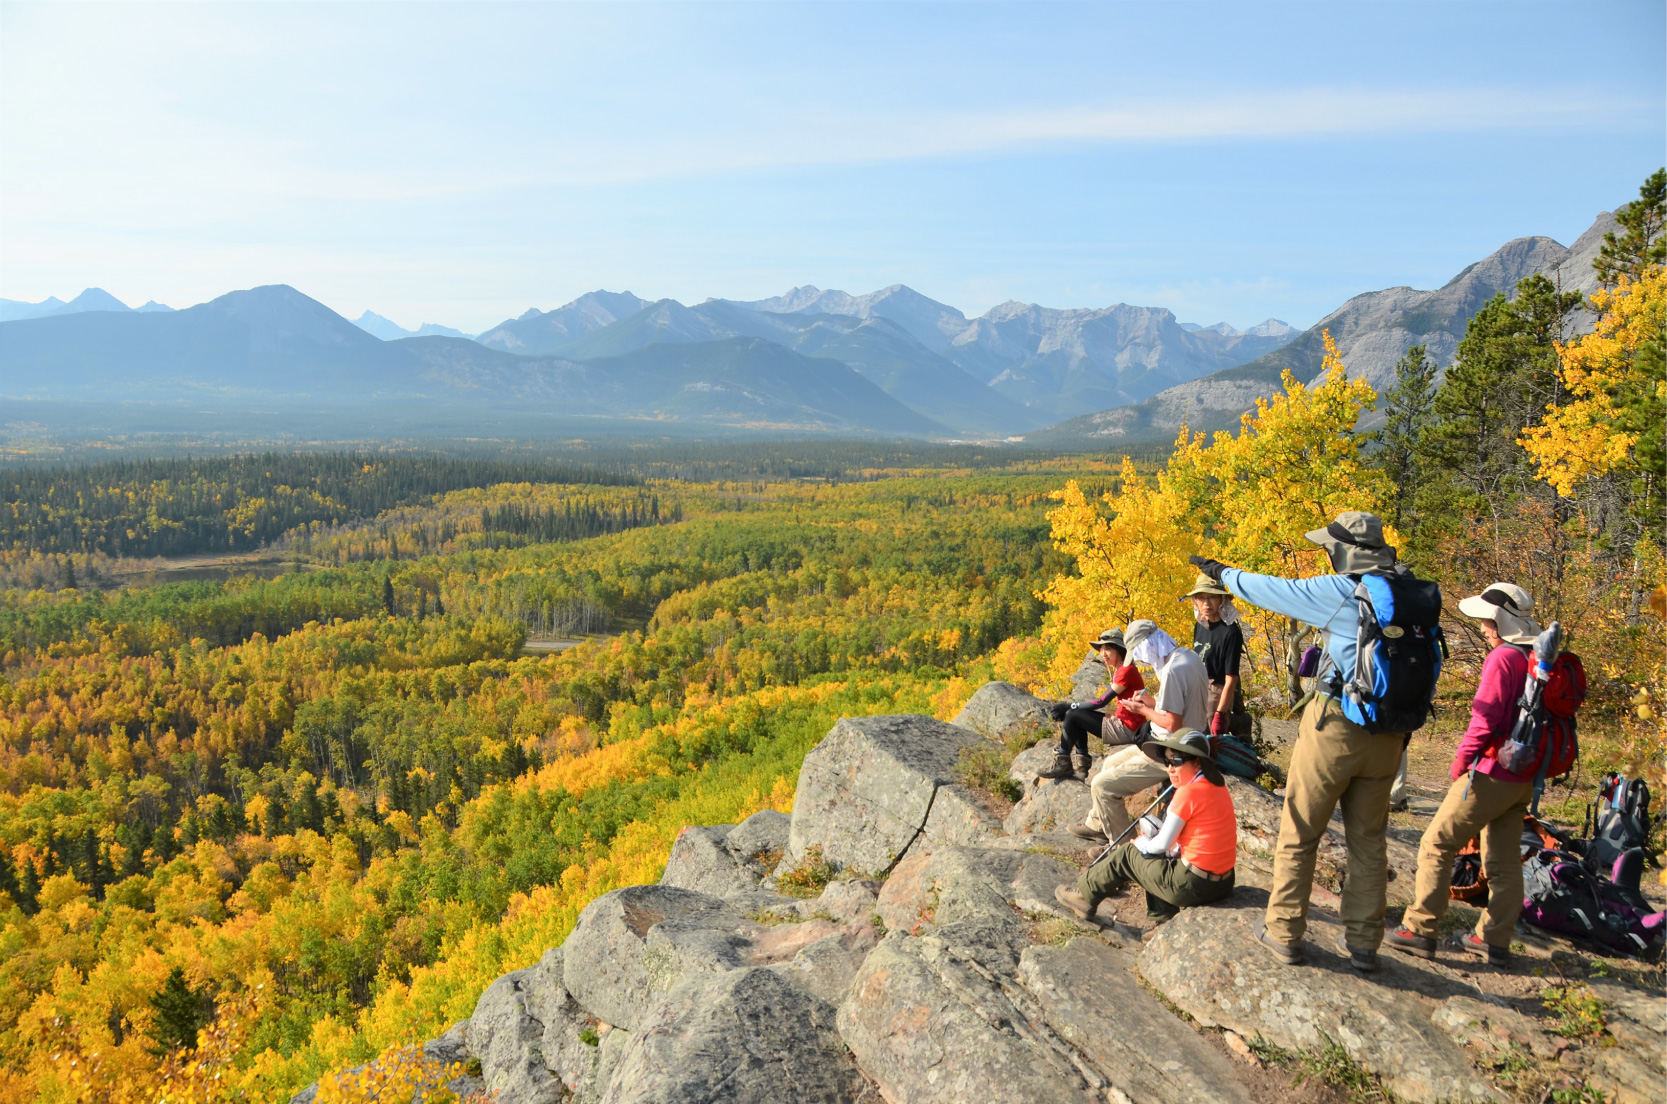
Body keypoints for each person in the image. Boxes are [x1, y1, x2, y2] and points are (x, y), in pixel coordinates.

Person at [1190, 511, 1406, 973]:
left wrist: (1220, 572)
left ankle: (1284, 932)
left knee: (1300, 829)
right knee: (1369, 839)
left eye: (1331, 547)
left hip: (1337, 726)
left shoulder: (1344, 590)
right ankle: (1365, 944)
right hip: (1389, 731)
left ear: (1346, 551)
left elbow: (1275, 591)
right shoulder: (1408, 591)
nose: (1327, 555)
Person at [1387, 582, 1541, 967]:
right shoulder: (1537, 656)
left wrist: (1461, 763)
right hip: (1523, 776)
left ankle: (1420, 929)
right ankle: (1493, 938)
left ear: (1502, 621)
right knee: (1503, 859)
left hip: (1491, 772)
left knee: (1437, 843)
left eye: (1488, 621)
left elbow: (1484, 719)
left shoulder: (1503, 658)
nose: (1485, 628)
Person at [1054, 729, 1237, 925]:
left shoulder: (1188, 792)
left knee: (1129, 854)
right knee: (1157, 856)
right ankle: (1160, 921)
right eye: (1167, 762)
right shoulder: (1217, 786)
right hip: (1223, 883)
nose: (1170, 769)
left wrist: (1142, 844)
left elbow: (1162, 845)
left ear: (1197, 762)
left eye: (1176, 762)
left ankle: (1084, 895)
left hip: (1193, 885)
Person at [1068, 619, 1211, 845]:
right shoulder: (1188, 657)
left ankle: (1125, 851)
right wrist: (1151, 702)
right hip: (1182, 740)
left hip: (1171, 751)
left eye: (1139, 652)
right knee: (1108, 764)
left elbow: (1173, 724)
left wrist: (1142, 709)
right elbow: (1181, 707)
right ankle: (1098, 826)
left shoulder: (1172, 671)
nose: (1141, 659)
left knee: (1101, 786)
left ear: (1147, 645)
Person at [1044, 628, 1147, 781]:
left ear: (1120, 649)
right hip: (1125, 723)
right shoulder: (1122, 668)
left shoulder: (1126, 671)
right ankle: (1080, 764)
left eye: (1108, 649)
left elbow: (1101, 701)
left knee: (1073, 714)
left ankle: (1064, 761)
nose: (1103, 653)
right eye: (1102, 649)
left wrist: (1069, 706)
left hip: (1128, 729)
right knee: (1075, 715)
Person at [1185, 573, 1251, 739]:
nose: (1206, 603)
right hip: (1196, 687)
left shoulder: (1230, 632)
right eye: (1201, 597)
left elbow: (1231, 679)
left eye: (1212, 597)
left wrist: (1220, 714)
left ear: (1222, 600)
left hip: (1217, 692)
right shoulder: (1199, 626)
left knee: (1209, 742)